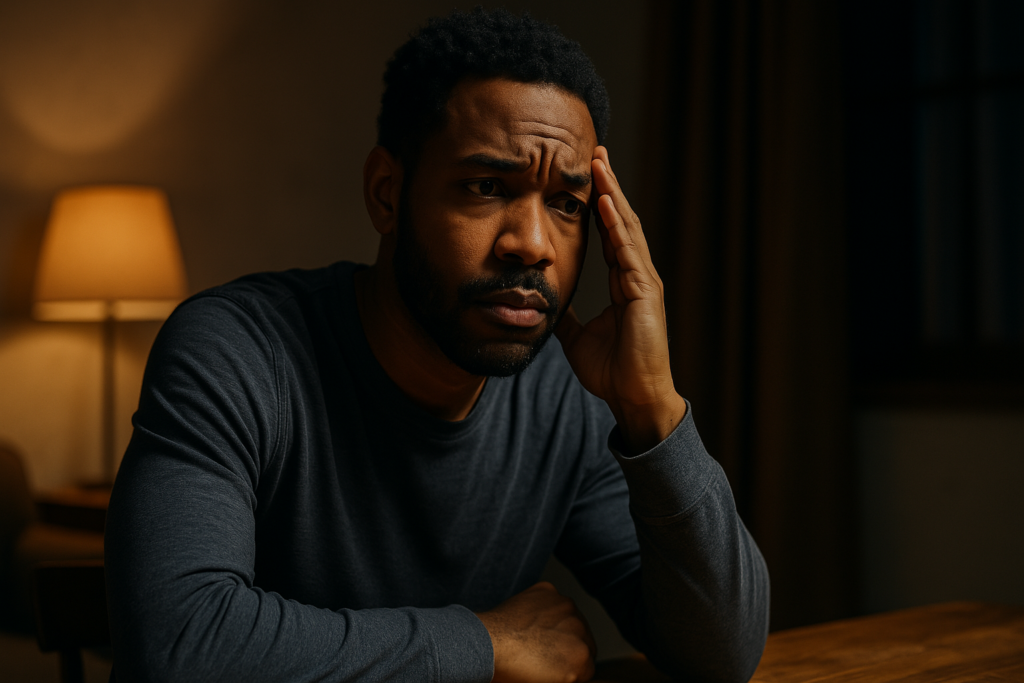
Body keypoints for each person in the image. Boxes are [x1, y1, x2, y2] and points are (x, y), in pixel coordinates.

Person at [105, 8, 769, 683]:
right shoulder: (236, 352)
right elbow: (178, 645)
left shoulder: (567, 396)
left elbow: (721, 653)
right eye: (487, 187)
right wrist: (485, 642)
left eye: (567, 204)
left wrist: (655, 409)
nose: (533, 244)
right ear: (386, 194)